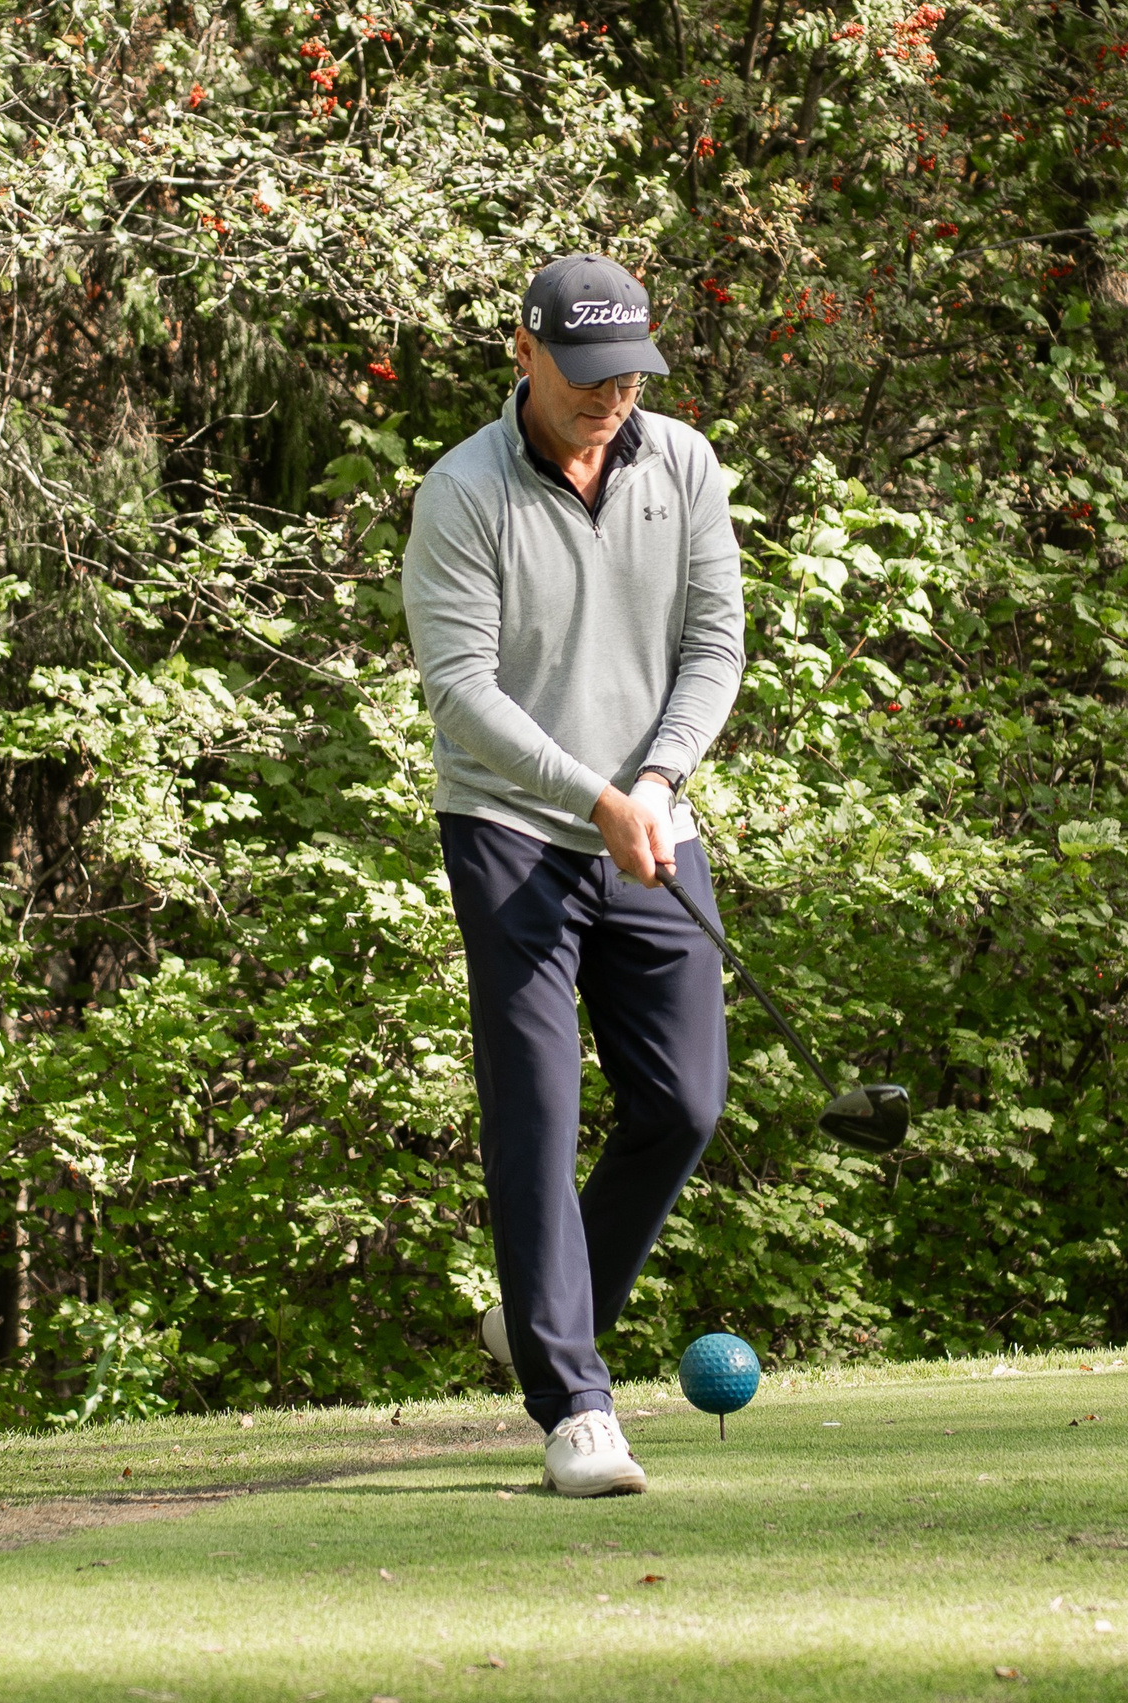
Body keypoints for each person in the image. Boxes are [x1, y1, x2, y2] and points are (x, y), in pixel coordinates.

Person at [403, 253, 746, 1497]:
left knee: (684, 1102)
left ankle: (538, 1309)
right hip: (511, 830)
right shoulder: (463, 493)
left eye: (631, 374)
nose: (614, 397)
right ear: (524, 351)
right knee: (539, 1110)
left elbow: (713, 643)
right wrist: (591, 796)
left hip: (649, 816)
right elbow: (464, 695)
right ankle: (574, 1403)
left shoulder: (684, 465)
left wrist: (653, 782)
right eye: (589, 374)